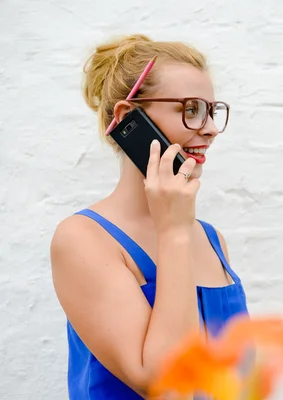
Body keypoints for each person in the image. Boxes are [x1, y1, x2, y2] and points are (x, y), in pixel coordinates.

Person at [50, 34, 249, 399]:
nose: (209, 129)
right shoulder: (82, 239)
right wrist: (173, 231)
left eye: (211, 111)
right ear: (129, 118)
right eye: (190, 110)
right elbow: (166, 383)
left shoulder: (211, 238)